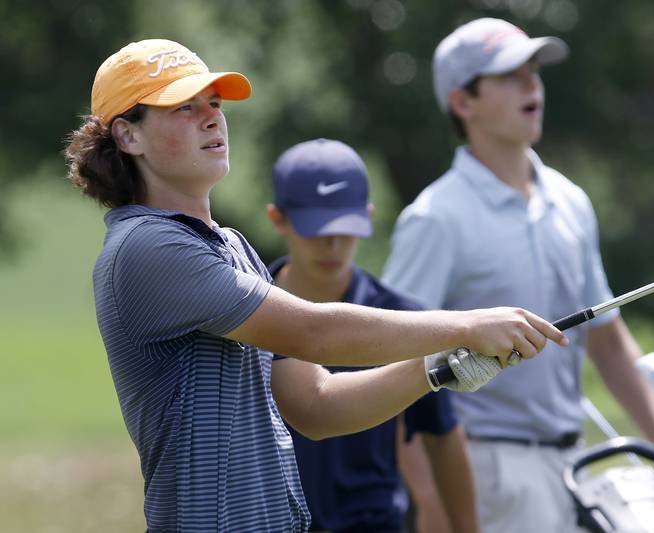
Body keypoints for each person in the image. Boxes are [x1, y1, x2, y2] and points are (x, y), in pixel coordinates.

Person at [63, 38, 568, 533]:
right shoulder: (147, 248)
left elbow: (317, 404)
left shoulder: (231, 247)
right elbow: (314, 332)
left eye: (214, 103)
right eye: (183, 108)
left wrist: (436, 368)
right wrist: (468, 325)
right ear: (128, 136)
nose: (212, 117)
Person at [382, 18, 654, 533]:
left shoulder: (570, 201)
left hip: (576, 466)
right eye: (509, 76)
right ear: (463, 102)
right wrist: (429, 501)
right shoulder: (436, 218)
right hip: (486, 474)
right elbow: (393, 361)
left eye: (533, 73)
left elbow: (607, 341)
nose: (532, 87)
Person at [265, 138, 479, 533]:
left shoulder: (404, 319)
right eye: (316, 230)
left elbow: (442, 435)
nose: (332, 244)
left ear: (367, 216)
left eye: (345, 229)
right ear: (279, 219)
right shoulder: (246, 313)